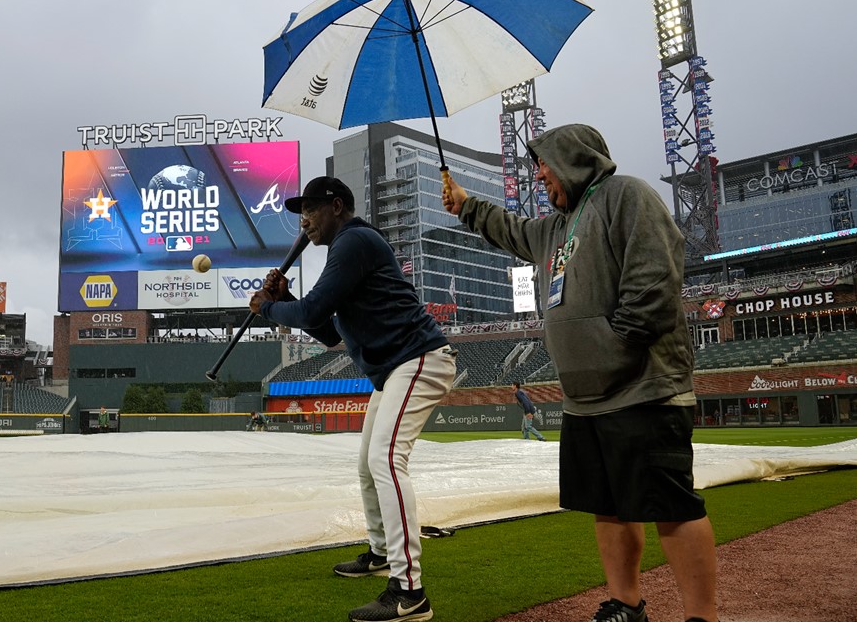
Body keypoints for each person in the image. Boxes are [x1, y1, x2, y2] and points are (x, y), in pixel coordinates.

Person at [442, 124, 717, 622]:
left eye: (543, 164)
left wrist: (614, 346)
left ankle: (701, 617)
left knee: (671, 505)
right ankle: (626, 605)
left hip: (643, 387)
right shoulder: (554, 229)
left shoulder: (625, 195)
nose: (539, 175)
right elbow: (509, 229)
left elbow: (655, 277)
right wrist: (465, 206)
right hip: (584, 399)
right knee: (607, 505)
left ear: (571, 158)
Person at [250, 175, 456, 622]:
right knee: (368, 464)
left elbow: (309, 314)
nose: (303, 220)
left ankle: (409, 590)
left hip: (418, 359)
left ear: (336, 206)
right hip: (393, 370)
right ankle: (382, 553)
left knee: (385, 460)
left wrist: (268, 307)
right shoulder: (348, 250)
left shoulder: (354, 241)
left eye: (310, 209)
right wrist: (286, 297)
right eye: (300, 212)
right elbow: (326, 333)